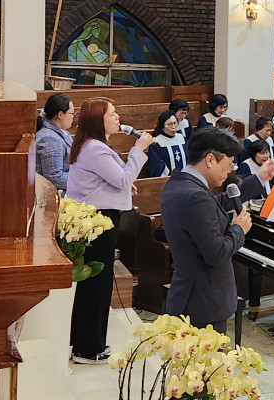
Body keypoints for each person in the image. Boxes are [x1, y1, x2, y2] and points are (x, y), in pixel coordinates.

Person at [160, 127, 274, 333]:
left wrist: (260, 178)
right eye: (228, 164)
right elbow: (216, 253)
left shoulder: (179, 184)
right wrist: (239, 229)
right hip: (203, 302)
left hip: (190, 294)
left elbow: (217, 204)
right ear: (210, 159)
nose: (229, 171)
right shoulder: (195, 196)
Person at [66, 97, 153, 364]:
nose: (118, 118)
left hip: (94, 218)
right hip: (99, 221)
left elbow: (107, 181)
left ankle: (83, 343)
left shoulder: (92, 145)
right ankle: (88, 348)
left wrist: (124, 185)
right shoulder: (95, 148)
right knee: (97, 284)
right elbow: (123, 178)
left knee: (94, 283)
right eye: (112, 114)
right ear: (98, 120)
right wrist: (139, 149)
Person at [36, 93, 74, 191]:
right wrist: (83, 180)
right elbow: (54, 178)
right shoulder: (49, 139)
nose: (73, 117)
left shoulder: (63, 132)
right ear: (60, 115)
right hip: (58, 193)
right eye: (72, 113)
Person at [146, 110, 187, 178]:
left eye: (175, 123)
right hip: (167, 180)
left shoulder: (182, 138)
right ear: (162, 127)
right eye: (169, 124)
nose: (173, 127)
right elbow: (156, 165)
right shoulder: (156, 143)